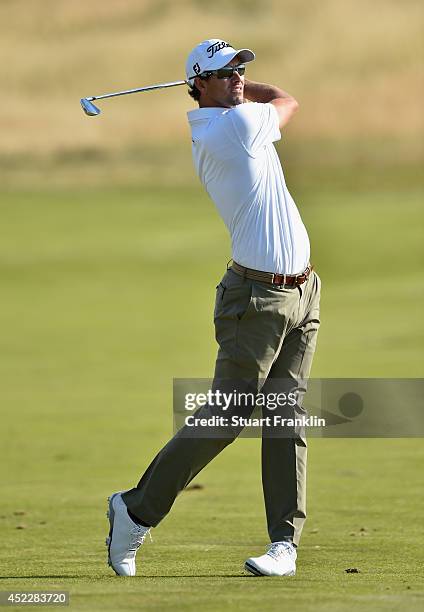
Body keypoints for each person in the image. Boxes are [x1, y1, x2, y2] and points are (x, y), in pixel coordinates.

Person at [106, 38, 321, 578]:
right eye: (226, 73)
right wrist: (254, 93)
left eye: (241, 69)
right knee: (227, 416)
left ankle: (284, 545)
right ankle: (134, 510)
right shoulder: (234, 128)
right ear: (199, 84)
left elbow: (270, 99)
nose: (239, 78)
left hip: (302, 292)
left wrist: (238, 88)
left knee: (285, 418)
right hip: (256, 300)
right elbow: (288, 100)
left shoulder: (229, 117)